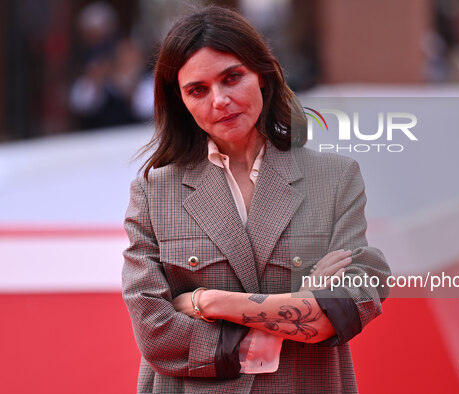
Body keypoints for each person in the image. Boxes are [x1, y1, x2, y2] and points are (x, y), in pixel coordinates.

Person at [122, 6, 391, 393]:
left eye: (232, 78)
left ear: (262, 75)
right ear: (180, 100)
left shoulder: (334, 179)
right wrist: (297, 304)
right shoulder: (153, 193)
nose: (219, 100)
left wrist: (208, 301)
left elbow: (345, 309)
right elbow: (155, 332)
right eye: (198, 90)